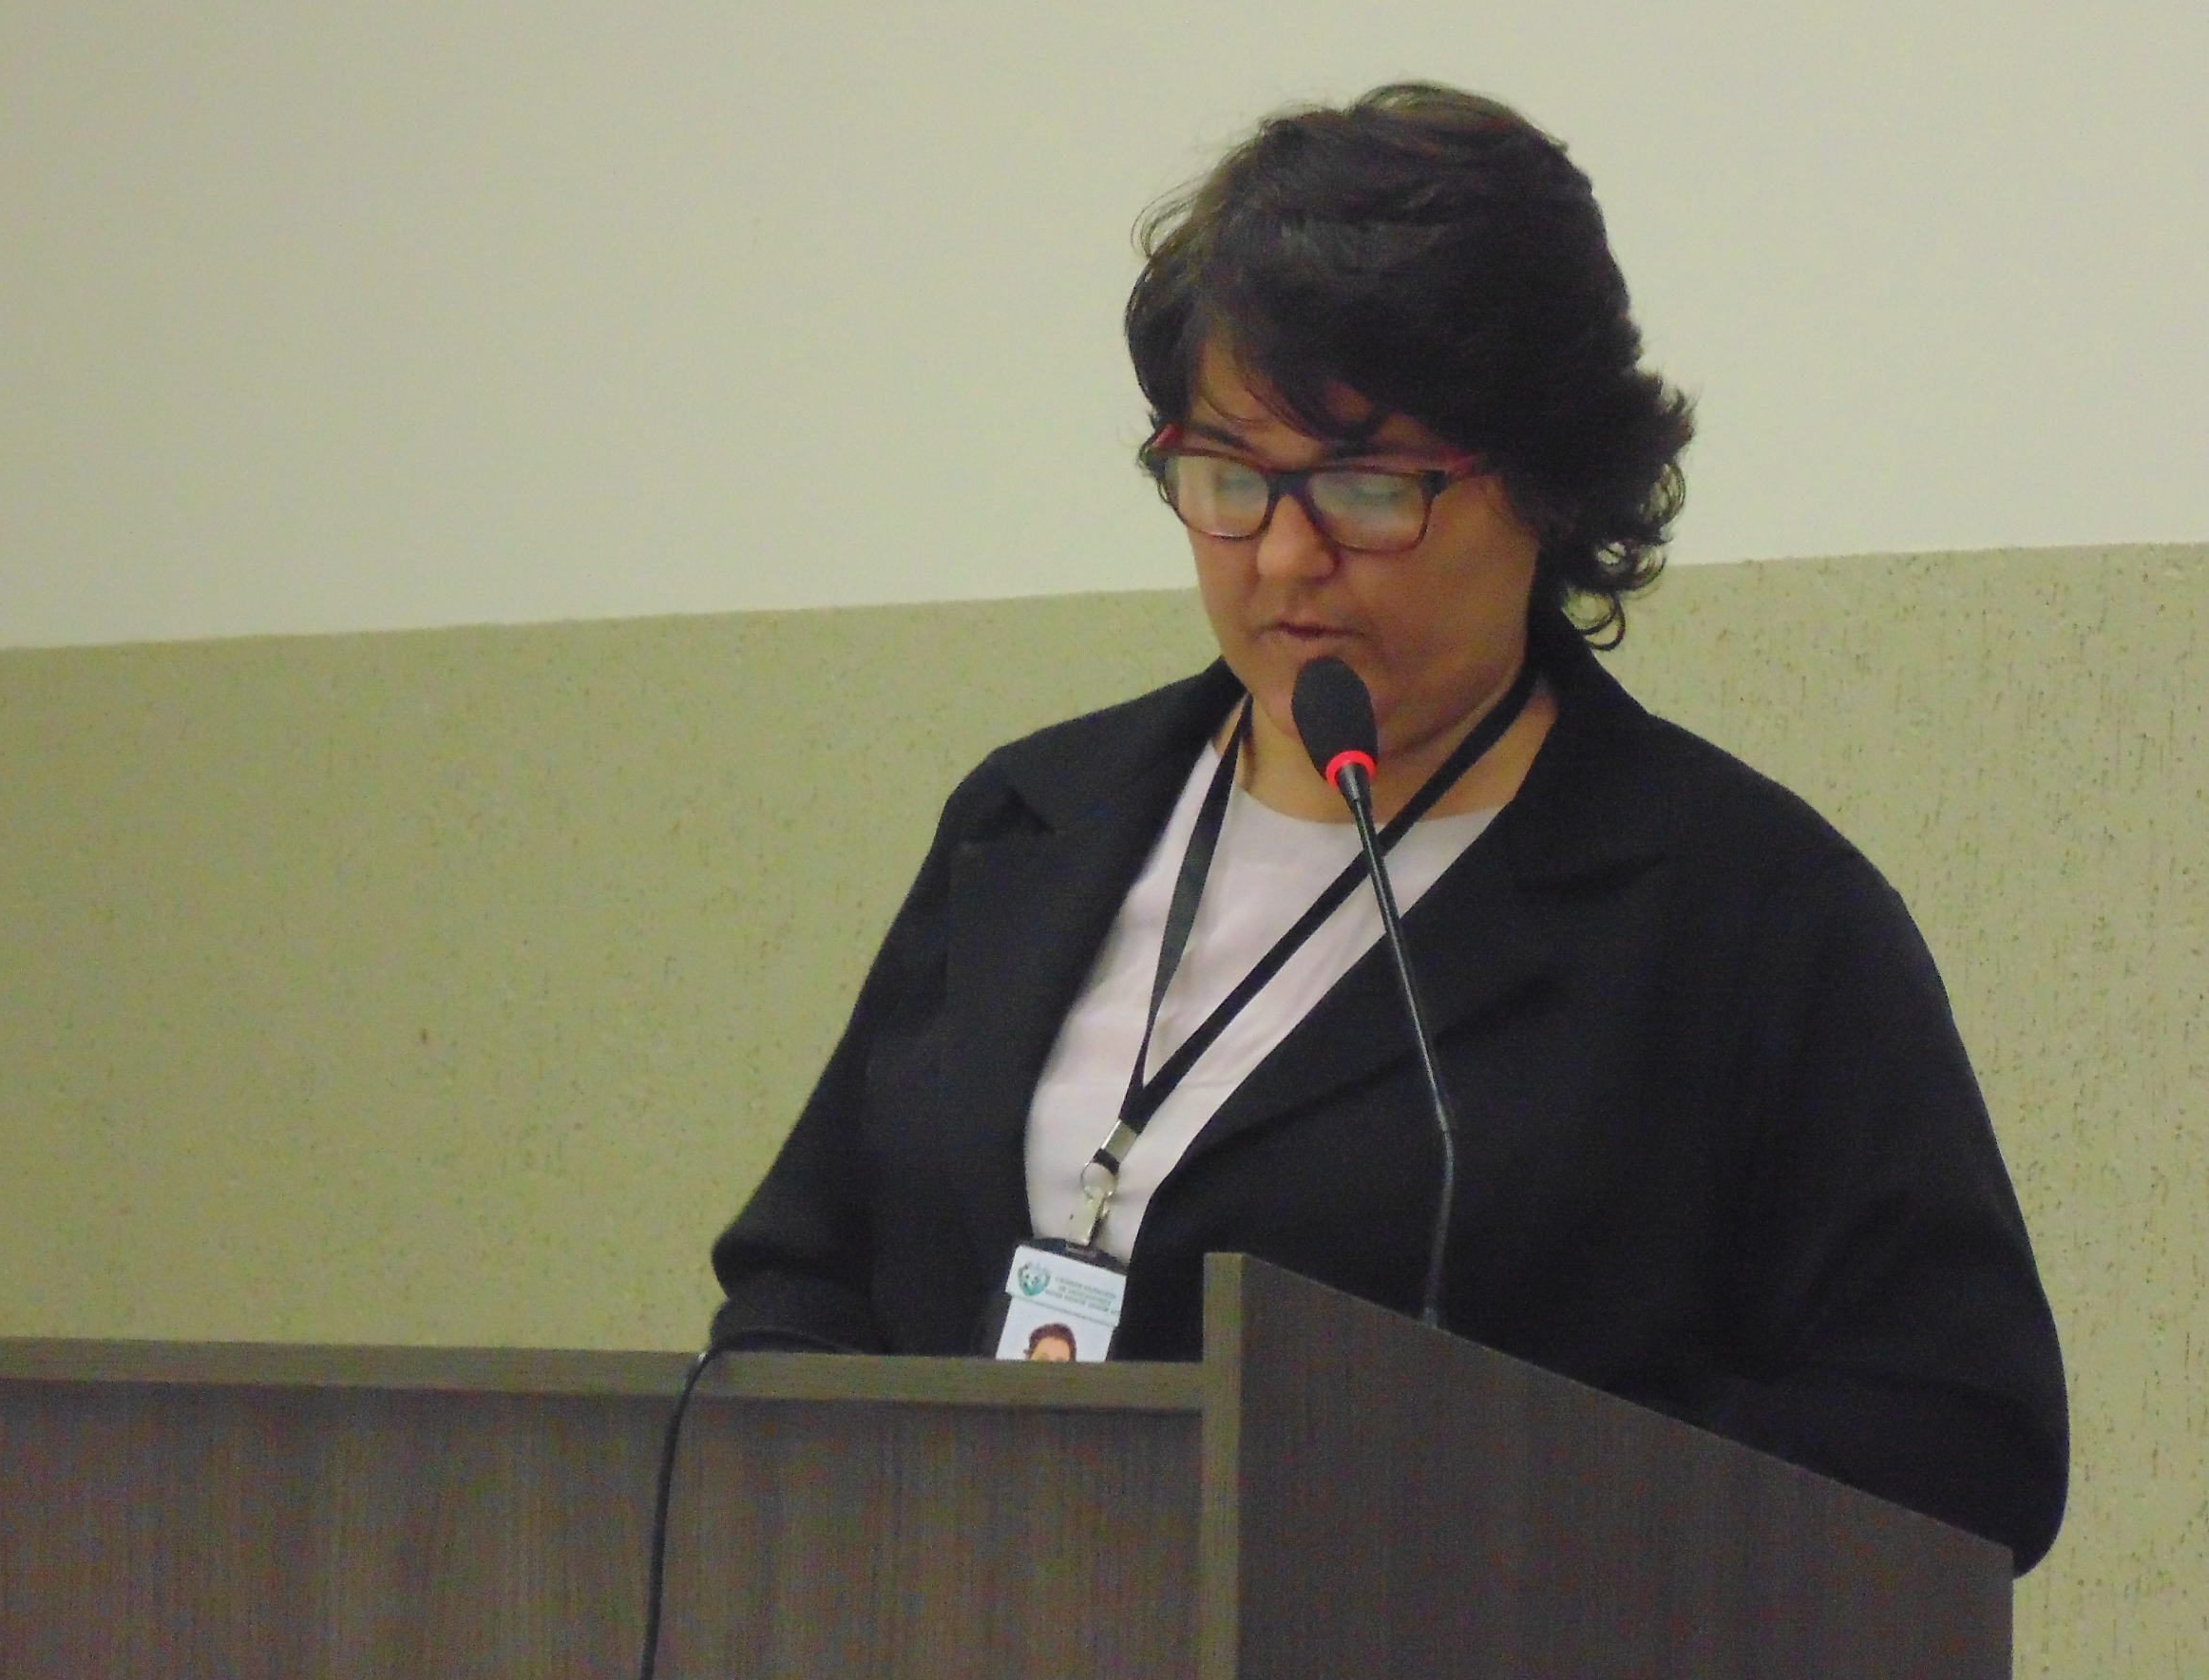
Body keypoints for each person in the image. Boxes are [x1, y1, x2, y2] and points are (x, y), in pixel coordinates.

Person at [709, 84, 2068, 1572]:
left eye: (1365, 486)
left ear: (1546, 487)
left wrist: (1503, 1484)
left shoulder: (1745, 915)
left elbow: (1963, 1445)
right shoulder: (1028, 823)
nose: (1286, 556)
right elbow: (803, 1277)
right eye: (1231, 476)